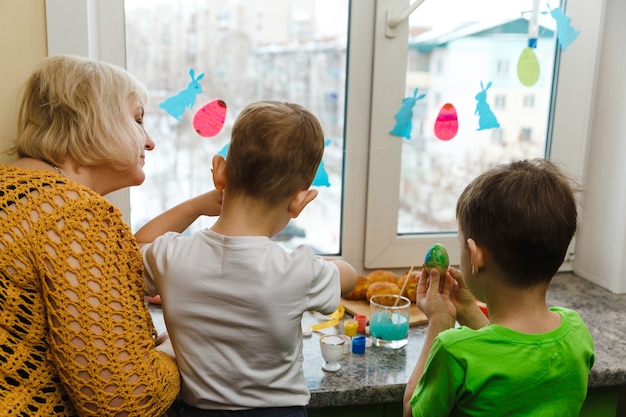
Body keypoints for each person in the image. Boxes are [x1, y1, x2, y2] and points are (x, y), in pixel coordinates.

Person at [0, 54, 195, 416]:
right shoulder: (76, 215)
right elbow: (126, 404)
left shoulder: (13, 192)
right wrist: (173, 350)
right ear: (92, 121)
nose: (149, 142)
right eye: (138, 120)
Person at [135, 100, 358, 417]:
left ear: (220, 171)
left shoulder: (172, 256)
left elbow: (136, 246)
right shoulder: (297, 270)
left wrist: (200, 204)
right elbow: (348, 278)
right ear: (299, 202)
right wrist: (325, 269)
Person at [403, 159, 595, 417]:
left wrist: (440, 322)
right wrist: (469, 312)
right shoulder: (576, 332)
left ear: (475, 256)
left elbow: (411, 412)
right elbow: (513, 352)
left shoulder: (454, 350)